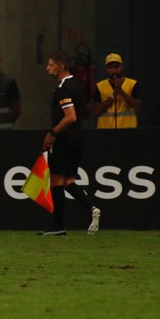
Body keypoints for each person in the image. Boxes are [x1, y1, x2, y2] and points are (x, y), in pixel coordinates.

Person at [41, 50, 101, 236]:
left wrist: (52, 133)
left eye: (50, 65)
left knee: (57, 180)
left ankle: (59, 227)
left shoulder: (64, 88)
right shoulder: (77, 86)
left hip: (66, 138)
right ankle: (91, 209)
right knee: (68, 180)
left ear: (61, 67)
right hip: (77, 138)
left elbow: (70, 117)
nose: (47, 68)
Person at [93, 52, 141, 129]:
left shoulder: (132, 84)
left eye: (116, 67)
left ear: (122, 67)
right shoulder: (100, 86)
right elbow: (97, 111)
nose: (114, 70)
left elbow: (137, 107)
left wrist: (121, 91)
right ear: (106, 69)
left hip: (128, 130)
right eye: (110, 67)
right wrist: (113, 96)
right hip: (105, 130)